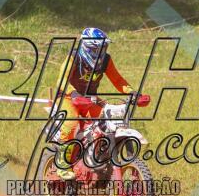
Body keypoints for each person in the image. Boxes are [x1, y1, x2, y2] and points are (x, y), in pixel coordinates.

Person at [53, 28, 149, 180]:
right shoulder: (73, 57)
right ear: (87, 47)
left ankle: (99, 156)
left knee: (108, 120)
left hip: (89, 99)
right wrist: (74, 94)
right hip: (67, 97)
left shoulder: (105, 60)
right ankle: (62, 164)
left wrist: (133, 94)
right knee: (71, 123)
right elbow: (61, 80)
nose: (101, 52)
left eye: (103, 48)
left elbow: (118, 80)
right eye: (97, 49)